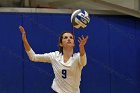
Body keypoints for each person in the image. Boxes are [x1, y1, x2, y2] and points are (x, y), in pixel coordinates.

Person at [19, 25, 88, 93]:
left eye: (71, 37)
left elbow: (83, 62)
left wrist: (82, 47)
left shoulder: (77, 58)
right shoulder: (54, 56)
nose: (68, 39)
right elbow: (33, 57)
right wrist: (25, 41)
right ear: (61, 44)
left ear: (73, 44)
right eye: (65, 37)